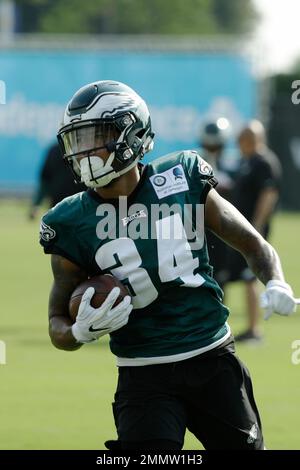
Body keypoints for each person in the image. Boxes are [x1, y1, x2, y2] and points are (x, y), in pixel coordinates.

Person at [39, 81, 296, 450]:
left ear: (133, 133)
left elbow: (253, 243)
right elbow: (55, 323)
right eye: (78, 141)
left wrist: (276, 282)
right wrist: (77, 332)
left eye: (97, 138)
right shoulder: (68, 221)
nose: (86, 152)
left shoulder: (181, 177)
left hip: (212, 361)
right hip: (142, 377)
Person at [228, 121, 282, 343]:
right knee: (238, 275)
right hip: (240, 230)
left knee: (249, 276)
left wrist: (257, 225)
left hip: (252, 230)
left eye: (242, 140)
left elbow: (269, 193)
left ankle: (254, 330)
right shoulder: (247, 162)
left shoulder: (264, 162)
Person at [199, 120, 233, 288]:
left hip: (222, 227)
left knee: (221, 276)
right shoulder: (195, 164)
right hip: (199, 228)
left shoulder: (232, 165)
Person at [29, 142, 86, 219]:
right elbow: (45, 179)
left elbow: (45, 180)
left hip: (79, 205)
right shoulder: (54, 150)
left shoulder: (54, 149)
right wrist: (36, 204)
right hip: (61, 205)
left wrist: (36, 204)